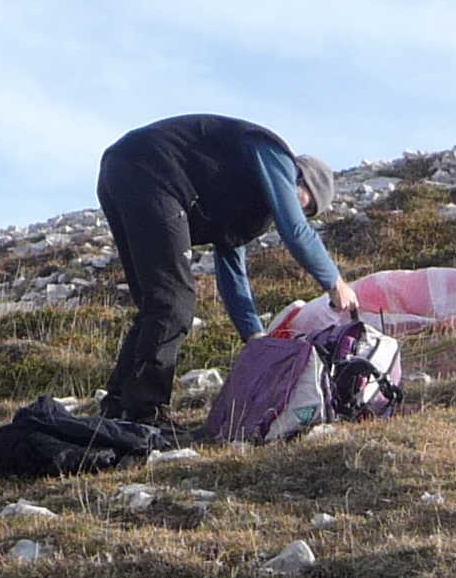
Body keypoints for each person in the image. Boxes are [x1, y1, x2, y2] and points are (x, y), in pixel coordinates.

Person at [94, 113, 355, 426]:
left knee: (158, 304)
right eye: (306, 203)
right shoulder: (273, 153)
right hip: (151, 169)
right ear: (300, 179)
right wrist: (335, 282)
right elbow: (295, 229)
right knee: (174, 303)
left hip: (121, 170)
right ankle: (145, 412)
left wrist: (254, 336)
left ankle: (118, 406)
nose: (300, 210)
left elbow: (232, 267)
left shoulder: (247, 205)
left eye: (309, 212)